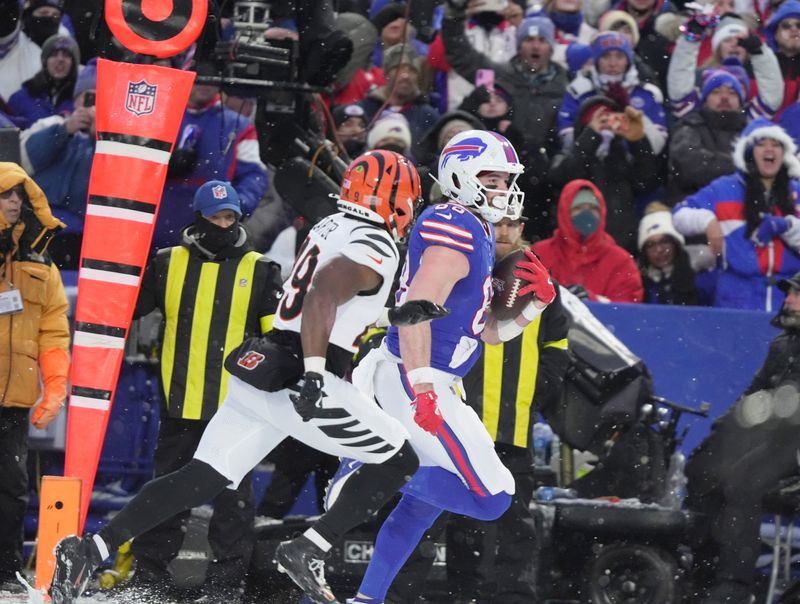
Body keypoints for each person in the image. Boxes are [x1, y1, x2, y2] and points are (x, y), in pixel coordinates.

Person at [49, 150, 445, 604]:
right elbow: (320, 297)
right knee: (400, 460)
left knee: (201, 476)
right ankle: (308, 548)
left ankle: (88, 548)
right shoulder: (374, 240)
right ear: (394, 199)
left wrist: (395, 314)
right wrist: (315, 373)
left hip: (265, 367)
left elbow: (336, 298)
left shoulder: (331, 223)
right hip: (302, 375)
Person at [339, 129, 559, 604]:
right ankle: (373, 464)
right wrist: (423, 389)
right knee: (495, 495)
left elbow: (482, 333)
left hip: (430, 374)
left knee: (419, 510)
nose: (504, 189)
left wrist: (530, 309)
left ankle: (367, 598)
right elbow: (416, 308)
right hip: (414, 374)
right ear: (461, 175)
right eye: (493, 178)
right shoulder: (455, 224)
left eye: (507, 180)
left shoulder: (473, 226)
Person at [388, 212, 571, 604]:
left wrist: (527, 399)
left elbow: (557, 354)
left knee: (509, 542)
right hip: (441, 422)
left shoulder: (540, 282)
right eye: (498, 222)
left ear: (524, 228)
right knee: (424, 531)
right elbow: (404, 323)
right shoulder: (455, 260)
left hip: (509, 432)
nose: (505, 230)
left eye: (514, 223)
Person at [120, 181, 285, 599]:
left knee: (233, 502)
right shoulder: (166, 263)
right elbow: (128, 308)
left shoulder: (260, 268)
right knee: (166, 495)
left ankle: (226, 585)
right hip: (180, 403)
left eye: (230, 217)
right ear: (198, 220)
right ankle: (148, 579)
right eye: (215, 218)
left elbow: (278, 342)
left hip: (236, 408)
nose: (224, 225)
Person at [684, 271, 800, 603]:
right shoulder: (782, 346)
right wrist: (721, 431)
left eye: (795, 294)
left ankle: (735, 586)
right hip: (773, 444)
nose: (788, 299)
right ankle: (700, 567)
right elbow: (751, 398)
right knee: (703, 466)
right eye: (789, 293)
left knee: (744, 479)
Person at [0, 162, 70, 593]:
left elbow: (53, 330)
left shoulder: (42, 265)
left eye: (19, 197)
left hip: (14, 399)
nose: (14, 203)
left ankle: (6, 573)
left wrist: (56, 385)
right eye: (6, 195)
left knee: (12, 487)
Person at [672, 118, 800, 311]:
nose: (769, 150)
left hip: (789, 300)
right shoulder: (724, 188)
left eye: (776, 145)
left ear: (784, 153)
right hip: (736, 299)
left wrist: (788, 227)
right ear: (748, 152)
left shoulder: (797, 192)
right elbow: (679, 215)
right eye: (761, 144)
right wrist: (707, 222)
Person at [156, 71, 268, 250]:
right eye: (199, 75)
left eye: (213, 75)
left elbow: (254, 177)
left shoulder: (239, 125)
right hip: (153, 231)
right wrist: (162, 166)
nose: (206, 83)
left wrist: (232, 209)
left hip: (206, 241)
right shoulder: (157, 115)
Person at [549, 93, 663, 252]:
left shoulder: (620, 158)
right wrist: (591, 136)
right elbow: (562, 177)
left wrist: (639, 141)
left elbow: (646, 181)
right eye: (598, 119)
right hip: (577, 245)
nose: (605, 123)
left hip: (621, 245)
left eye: (610, 117)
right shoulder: (569, 155)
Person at [19, 59, 96, 269]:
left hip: (78, 234)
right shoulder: (52, 124)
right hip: (36, 225)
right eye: (87, 98)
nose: (91, 106)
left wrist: (99, 138)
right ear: (76, 99)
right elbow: (25, 158)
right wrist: (65, 130)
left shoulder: (106, 139)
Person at [533, 179, 644, 303]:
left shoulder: (621, 261)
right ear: (565, 212)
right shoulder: (540, 253)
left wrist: (592, 300)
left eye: (593, 208)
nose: (586, 213)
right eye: (578, 208)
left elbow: (627, 310)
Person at [667, 69, 749, 204]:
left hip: (740, 207)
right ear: (705, 101)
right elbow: (691, 167)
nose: (724, 97)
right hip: (692, 207)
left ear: (740, 102)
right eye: (716, 92)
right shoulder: (689, 126)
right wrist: (742, 166)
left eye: (732, 93)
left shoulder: (751, 133)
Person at [358, 43, 440, 160]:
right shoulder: (365, 109)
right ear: (386, 74)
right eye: (398, 69)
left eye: (412, 70)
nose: (405, 75)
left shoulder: (428, 116)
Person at [7, 34, 78, 130]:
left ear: (74, 63)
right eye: (54, 55)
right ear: (45, 62)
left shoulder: (82, 100)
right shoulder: (20, 99)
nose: (60, 59)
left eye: (66, 55)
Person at [637, 206, 700, 305]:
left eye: (664, 242)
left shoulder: (701, 279)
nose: (659, 250)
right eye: (650, 245)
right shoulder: (639, 285)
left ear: (676, 244)